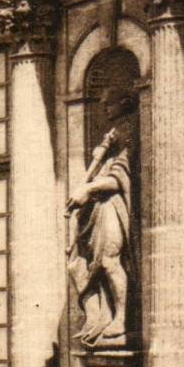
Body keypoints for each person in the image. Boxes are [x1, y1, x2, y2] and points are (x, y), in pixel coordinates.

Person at [67, 118, 133, 348]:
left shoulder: (127, 135)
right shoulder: (107, 149)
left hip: (112, 207)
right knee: (80, 265)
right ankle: (96, 317)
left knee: (109, 261)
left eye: (109, 102)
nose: (104, 106)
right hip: (95, 212)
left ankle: (121, 317)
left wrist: (88, 187)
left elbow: (119, 179)